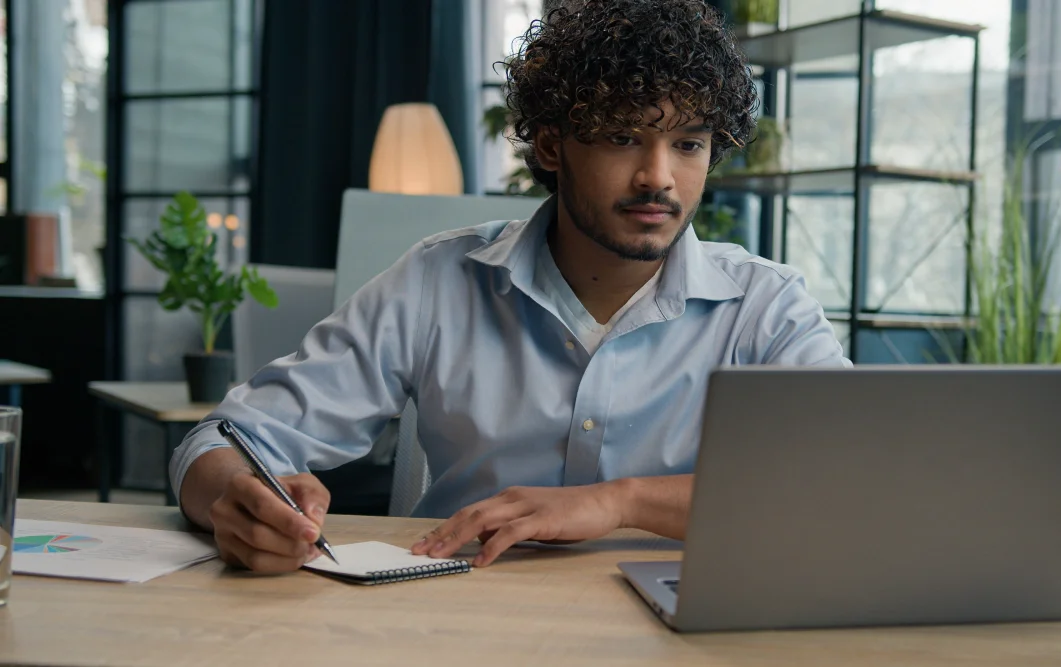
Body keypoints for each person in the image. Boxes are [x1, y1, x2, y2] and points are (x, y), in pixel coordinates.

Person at [171, 0, 850, 574]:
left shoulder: (765, 308)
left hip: (673, 628)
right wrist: (237, 498)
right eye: (621, 136)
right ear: (552, 146)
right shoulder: (439, 280)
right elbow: (224, 440)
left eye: (689, 144)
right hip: (460, 615)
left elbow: (849, 482)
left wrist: (623, 501)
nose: (658, 177)